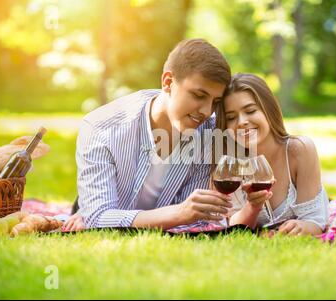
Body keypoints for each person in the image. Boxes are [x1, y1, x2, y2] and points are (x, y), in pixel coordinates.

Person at [63, 39, 232, 232]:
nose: (207, 111)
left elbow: (195, 219)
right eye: (199, 96)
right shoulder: (101, 127)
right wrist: (178, 213)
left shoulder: (209, 132)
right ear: (168, 82)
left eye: (215, 101)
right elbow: (98, 218)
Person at [222, 73, 329, 236]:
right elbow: (233, 228)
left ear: (268, 109)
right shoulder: (231, 163)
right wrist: (252, 206)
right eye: (231, 117)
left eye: (250, 111)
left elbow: (314, 221)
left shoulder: (299, 150)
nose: (241, 121)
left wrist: (301, 227)